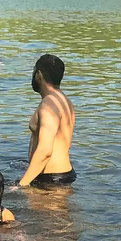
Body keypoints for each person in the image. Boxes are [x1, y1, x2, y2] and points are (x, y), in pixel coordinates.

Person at [19, 54, 76, 188]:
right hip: (60, 175)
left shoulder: (49, 104)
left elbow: (45, 150)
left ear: (38, 75)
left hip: (51, 180)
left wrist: (21, 185)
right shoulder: (64, 100)